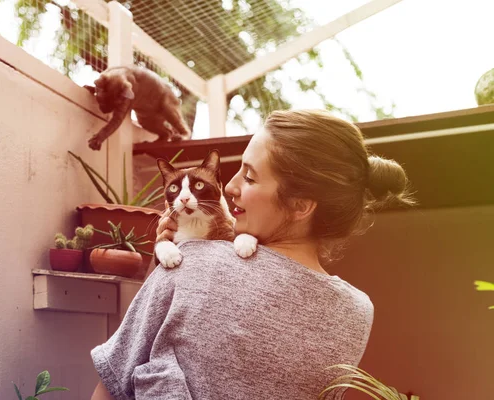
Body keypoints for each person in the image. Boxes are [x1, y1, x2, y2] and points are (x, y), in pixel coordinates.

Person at [90, 109, 414, 400]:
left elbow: (113, 381)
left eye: (249, 177)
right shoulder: (356, 312)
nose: (229, 187)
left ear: (301, 205)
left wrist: (164, 271)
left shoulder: (194, 263)